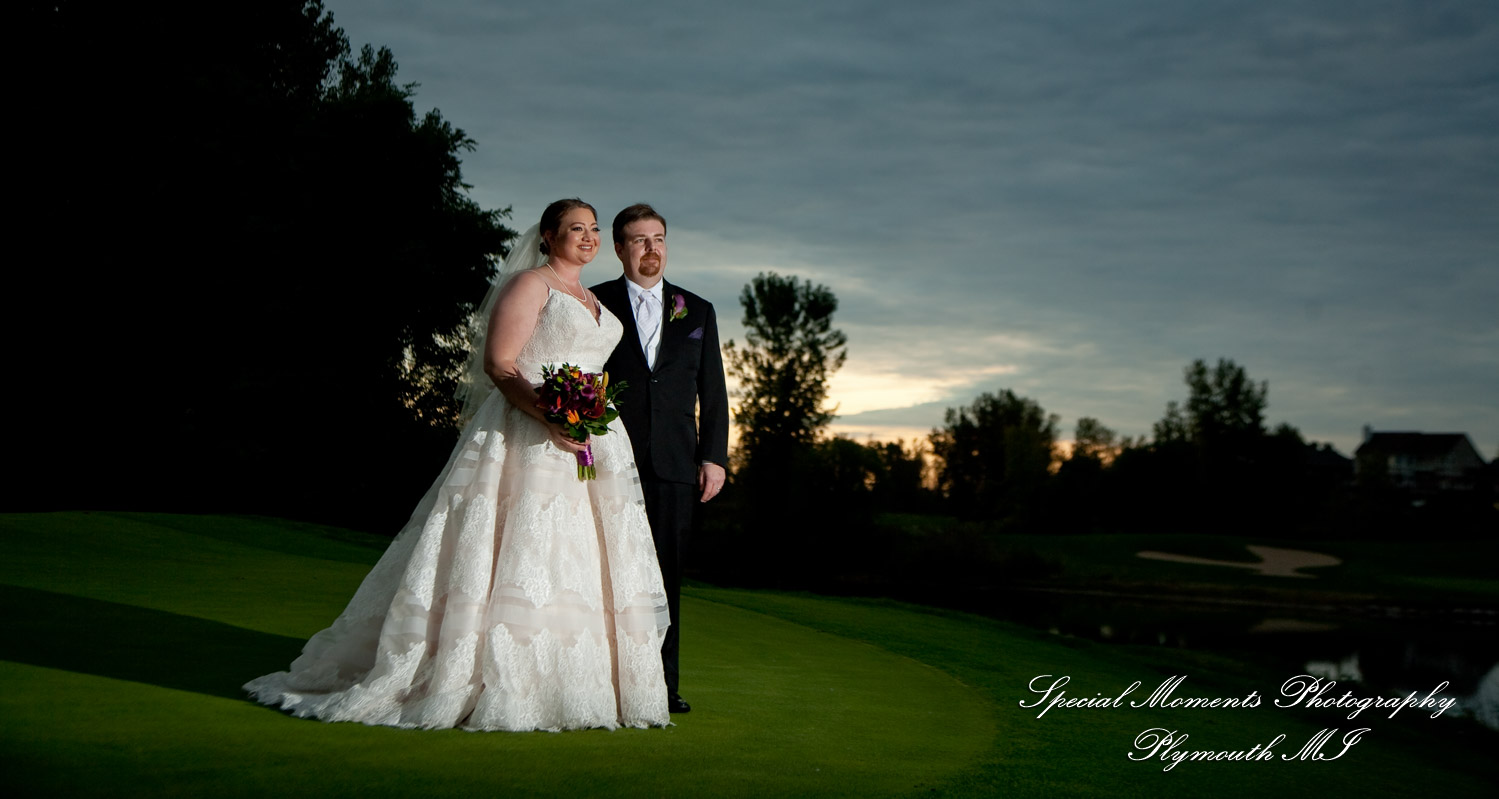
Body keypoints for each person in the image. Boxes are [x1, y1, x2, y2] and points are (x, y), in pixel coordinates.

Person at [244, 199, 671, 731]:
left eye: (594, 229)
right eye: (575, 228)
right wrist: (551, 415)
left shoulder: (593, 300)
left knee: (581, 554)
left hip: (592, 442)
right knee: (521, 545)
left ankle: (577, 682)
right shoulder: (530, 285)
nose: (587, 237)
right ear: (547, 235)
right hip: (528, 432)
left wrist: (583, 417)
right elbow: (501, 364)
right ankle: (486, 676)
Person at [592, 204, 730, 714]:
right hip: (607, 456)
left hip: (675, 462)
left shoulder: (698, 310)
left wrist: (713, 456)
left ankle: (662, 687)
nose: (652, 249)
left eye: (659, 239)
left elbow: (712, 390)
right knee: (603, 570)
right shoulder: (594, 301)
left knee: (665, 577)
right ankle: (601, 681)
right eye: (640, 240)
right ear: (620, 248)